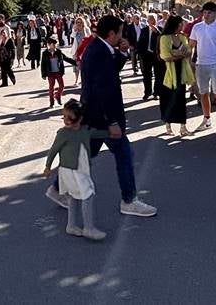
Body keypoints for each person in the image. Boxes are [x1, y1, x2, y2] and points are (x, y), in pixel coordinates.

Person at [47, 15, 157, 218]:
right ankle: (129, 200)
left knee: (84, 156)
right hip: (102, 117)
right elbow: (103, 90)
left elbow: (110, 72)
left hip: (93, 115)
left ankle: (56, 189)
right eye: (121, 32)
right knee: (124, 154)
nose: (123, 36)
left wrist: (122, 53)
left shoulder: (99, 48)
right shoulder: (99, 52)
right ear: (112, 33)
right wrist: (113, 122)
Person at [44, 99, 108, 241]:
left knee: (73, 197)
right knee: (88, 194)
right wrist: (48, 167)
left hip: (81, 169)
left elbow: (96, 134)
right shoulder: (63, 133)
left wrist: (110, 132)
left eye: (70, 117)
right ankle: (89, 228)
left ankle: (71, 226)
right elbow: (53, 150)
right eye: (64, 116)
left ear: (80, 118)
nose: (66, 120)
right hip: (70, 170)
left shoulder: (85, 130)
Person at [189, 2, 216, 134]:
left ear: (215, 13)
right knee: (203, 93)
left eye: (209, 13)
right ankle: (207, 120)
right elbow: (191, 45)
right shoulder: (197, 27)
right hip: (201, 64)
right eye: (204, 12)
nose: (206, 15)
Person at [158, 15, 195, 136]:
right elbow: (165, 56)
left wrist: (176, 54)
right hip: (168, 74)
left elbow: (188, 51)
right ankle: (168, 125)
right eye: (181, 24)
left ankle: (183, 127)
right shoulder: (164, 38)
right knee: (169, 100)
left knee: (180, 100)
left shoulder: (182, 37)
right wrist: (180, 54)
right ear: (176, 25)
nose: (183, 26)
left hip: (181, 72)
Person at [40, 37, 76, 108]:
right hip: (50, 73)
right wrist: (43, 74)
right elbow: (43, 64)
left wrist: (75, 63)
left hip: (58, 72)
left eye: (54, 44)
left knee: (62, 86)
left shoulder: (58, 52)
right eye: (52, 44)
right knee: (51, 88)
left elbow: (66, 58)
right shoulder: (45, 53)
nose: (53, 45)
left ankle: (58, 96)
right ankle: (51, 102)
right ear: (49, 45)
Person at [137, 14, 163, 101]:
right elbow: (140, 43)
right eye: (149, 20)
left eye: (153, 19)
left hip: (157, 56)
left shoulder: (160, 30)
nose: (151, 21)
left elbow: (163, 41)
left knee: (158, 75)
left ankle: (157, 93)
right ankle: (147, 93)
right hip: (146, 55)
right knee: (147, 75)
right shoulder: (144, 30)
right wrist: (141, 55)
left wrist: (157, 32)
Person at [69, 17, 88, 86]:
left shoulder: (86, 29)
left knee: (83, 67)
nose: (79, 24)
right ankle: (76, 80)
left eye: (80, 22)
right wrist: (74, 30)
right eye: (77, 22)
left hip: (84, 51)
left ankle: (83, 80)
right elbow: (72, 36)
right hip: (76, 51)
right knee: (76, 67)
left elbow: (89, 38)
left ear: (83, 23)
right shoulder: (75, 30)